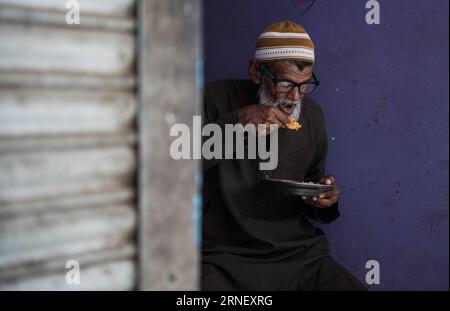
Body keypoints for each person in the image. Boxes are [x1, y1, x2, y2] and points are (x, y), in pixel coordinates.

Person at [201, 20, 366, 290]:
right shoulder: (214, 98)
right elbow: (172, 166)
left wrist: (323, 200)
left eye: (305, 85)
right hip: (224, 258)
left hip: (298, 257)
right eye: (285, 83)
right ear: (256, 71)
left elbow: (311, 188)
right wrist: (238, 121)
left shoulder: (311, 116)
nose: (295, 97)